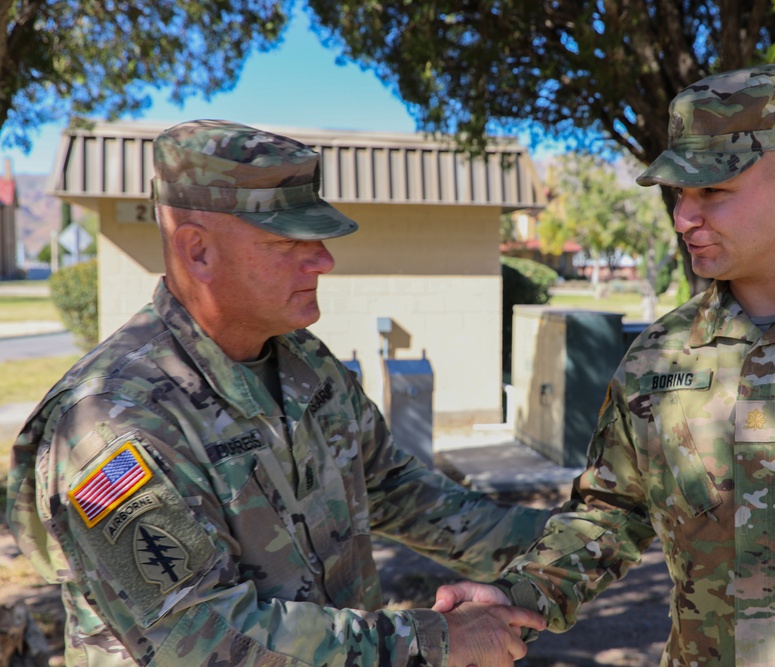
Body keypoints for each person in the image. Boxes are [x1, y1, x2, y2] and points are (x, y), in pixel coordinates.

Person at [434, 63, 775, 665]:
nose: (683, 218)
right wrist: (513, 594)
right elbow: (610, 512)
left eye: (712, 192)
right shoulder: (660, 357)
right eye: (679, 193)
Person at [5, 119, 547, 667]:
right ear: (198, 251)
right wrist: (435, 640)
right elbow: (201, 638)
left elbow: (394, 490)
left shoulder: (305, 363)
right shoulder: (111, 424)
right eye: (287, 241)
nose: (323, 260)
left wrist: (573, 536)